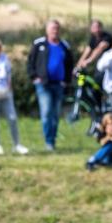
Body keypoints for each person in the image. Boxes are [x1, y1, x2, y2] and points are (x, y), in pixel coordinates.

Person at [27, 19, 73, 151]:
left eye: (57, 28)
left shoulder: (64, 45)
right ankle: (48, 141)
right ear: (47, 30)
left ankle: (52, 140)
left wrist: (66, 80)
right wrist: (34, 77)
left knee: (56, 114)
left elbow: (70, 64)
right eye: (52, 28)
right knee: (46, 112)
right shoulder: (39, 44)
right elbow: (30, 62)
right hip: (43, 84)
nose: (55, 31)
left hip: (59, 84)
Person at [0, 37, 28, 155]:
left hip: (5, 92)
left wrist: (9, 87)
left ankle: (17, 144)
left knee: (12, 118)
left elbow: (8, 75)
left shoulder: (4, 59)